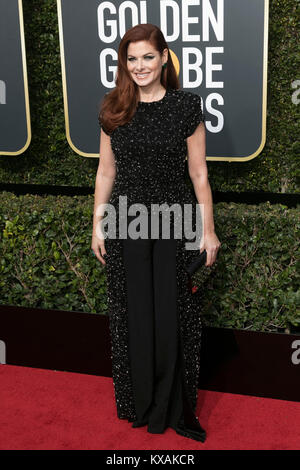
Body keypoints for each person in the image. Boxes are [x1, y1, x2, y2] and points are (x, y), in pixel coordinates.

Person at [91, 23, 221, 443]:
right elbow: (106, 170)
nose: (140, 66)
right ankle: (140, 402)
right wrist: (97, 222)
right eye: (132, 59)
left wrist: (209, 231)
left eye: (148, 56)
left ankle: (171, 404)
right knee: (134, 315)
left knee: (171, 315)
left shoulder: (186, 106)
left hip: (174, 222)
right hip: (126, 222)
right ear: (123, 64)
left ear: (165, 58)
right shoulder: (113, 108)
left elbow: (198, 171)